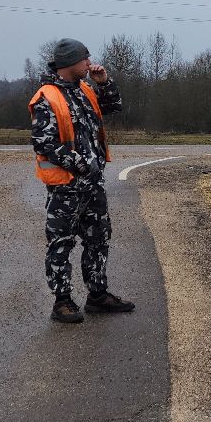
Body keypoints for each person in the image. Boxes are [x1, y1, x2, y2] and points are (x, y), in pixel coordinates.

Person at [29, 38, 135, 324]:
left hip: (93, 184)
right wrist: (81, 165)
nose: (90, 63)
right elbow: (43, 142)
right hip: (65, 186)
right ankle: (62, 301)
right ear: (69, 63)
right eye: (85, 59)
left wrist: (104, 82)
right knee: (61, 242)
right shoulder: (47, 96)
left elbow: (113, 106)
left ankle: (98, 295)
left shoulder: (85, 89)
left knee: (99, 238)